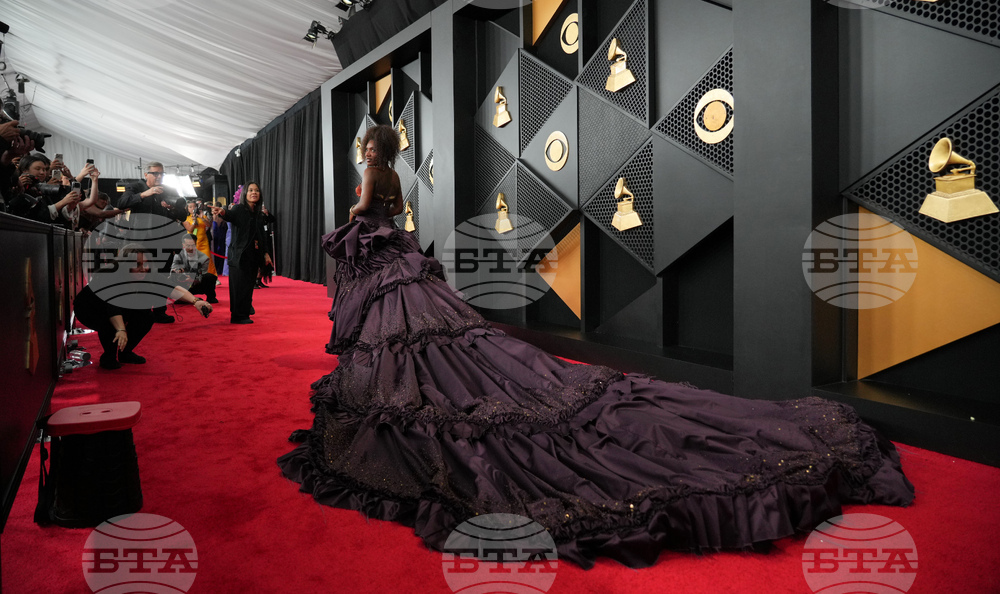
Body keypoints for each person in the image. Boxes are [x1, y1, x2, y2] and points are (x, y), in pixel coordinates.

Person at [278, 124, 916, 569]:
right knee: (440, 343)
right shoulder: (394, 172)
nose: (364, 148)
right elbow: (399, 220)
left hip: (389, 266)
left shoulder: (372, 173)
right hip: (403, 261)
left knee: (421, 352)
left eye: (366, 142)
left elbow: (367, 214)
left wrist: (351, 226)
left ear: (374, 148)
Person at [75, 245, 214, 369]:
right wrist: (121, 329)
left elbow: (171, 287)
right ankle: (108, 357)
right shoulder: (110, 274)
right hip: (90, 308)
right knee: (109, 323)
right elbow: (112, 306)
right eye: (138, 265)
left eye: (145, 263)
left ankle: (125, 352)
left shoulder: (148, 273)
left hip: (118, 305)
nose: (143, 268)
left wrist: (196, 301)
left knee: (146, 316)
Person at [118, 161, 185, 323]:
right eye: (155, 173)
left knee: (161, 276)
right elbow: (121, 204)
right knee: (139, 277)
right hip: (140, 242)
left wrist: (173, 208)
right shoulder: (135, 187)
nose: (159, 176)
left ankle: (160, 311)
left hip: (164, 241)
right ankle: (140, 312)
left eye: (161, 173)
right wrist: (145, 194)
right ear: (145, 174)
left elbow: (183, 216)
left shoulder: (168, 190)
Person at [212, 182, 271, 324]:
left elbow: (260, 236)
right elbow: (230, 215)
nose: (254, 192)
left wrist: (265, 253)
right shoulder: (239, 209)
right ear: (245, 194)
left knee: (248, 286)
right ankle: (237, 316)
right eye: (250, 190)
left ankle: (244, 313)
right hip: (238, 255)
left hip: (253, 255)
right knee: (238, 287)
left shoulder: (257, 214)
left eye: (256, 190)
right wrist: (222, 212)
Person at [171, 234, 219, 303]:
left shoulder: (204, 258)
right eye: (188, 246)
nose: (190, 248)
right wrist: (178, 272)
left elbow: (203, 276)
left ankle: (211, 297)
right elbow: (172, 270)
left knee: (210, 277)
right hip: (182, 284)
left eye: (193, 245)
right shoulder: (178, 256)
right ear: (183, 245)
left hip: (196, 284)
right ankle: (184, 298)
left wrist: (192, 280)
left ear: (196, 244)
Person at [183, 200, 217, 276]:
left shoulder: (202, 216)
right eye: (190, 207)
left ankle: (212, 276)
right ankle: (194, 277)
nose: (192, 208)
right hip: (192, 243)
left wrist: (202, 218)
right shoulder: (186, 219)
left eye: (194, 206)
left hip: (203, 242)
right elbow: (190, 229)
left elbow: (209, 225)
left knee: (208, 259)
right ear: (187, 208)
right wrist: (194, 221)